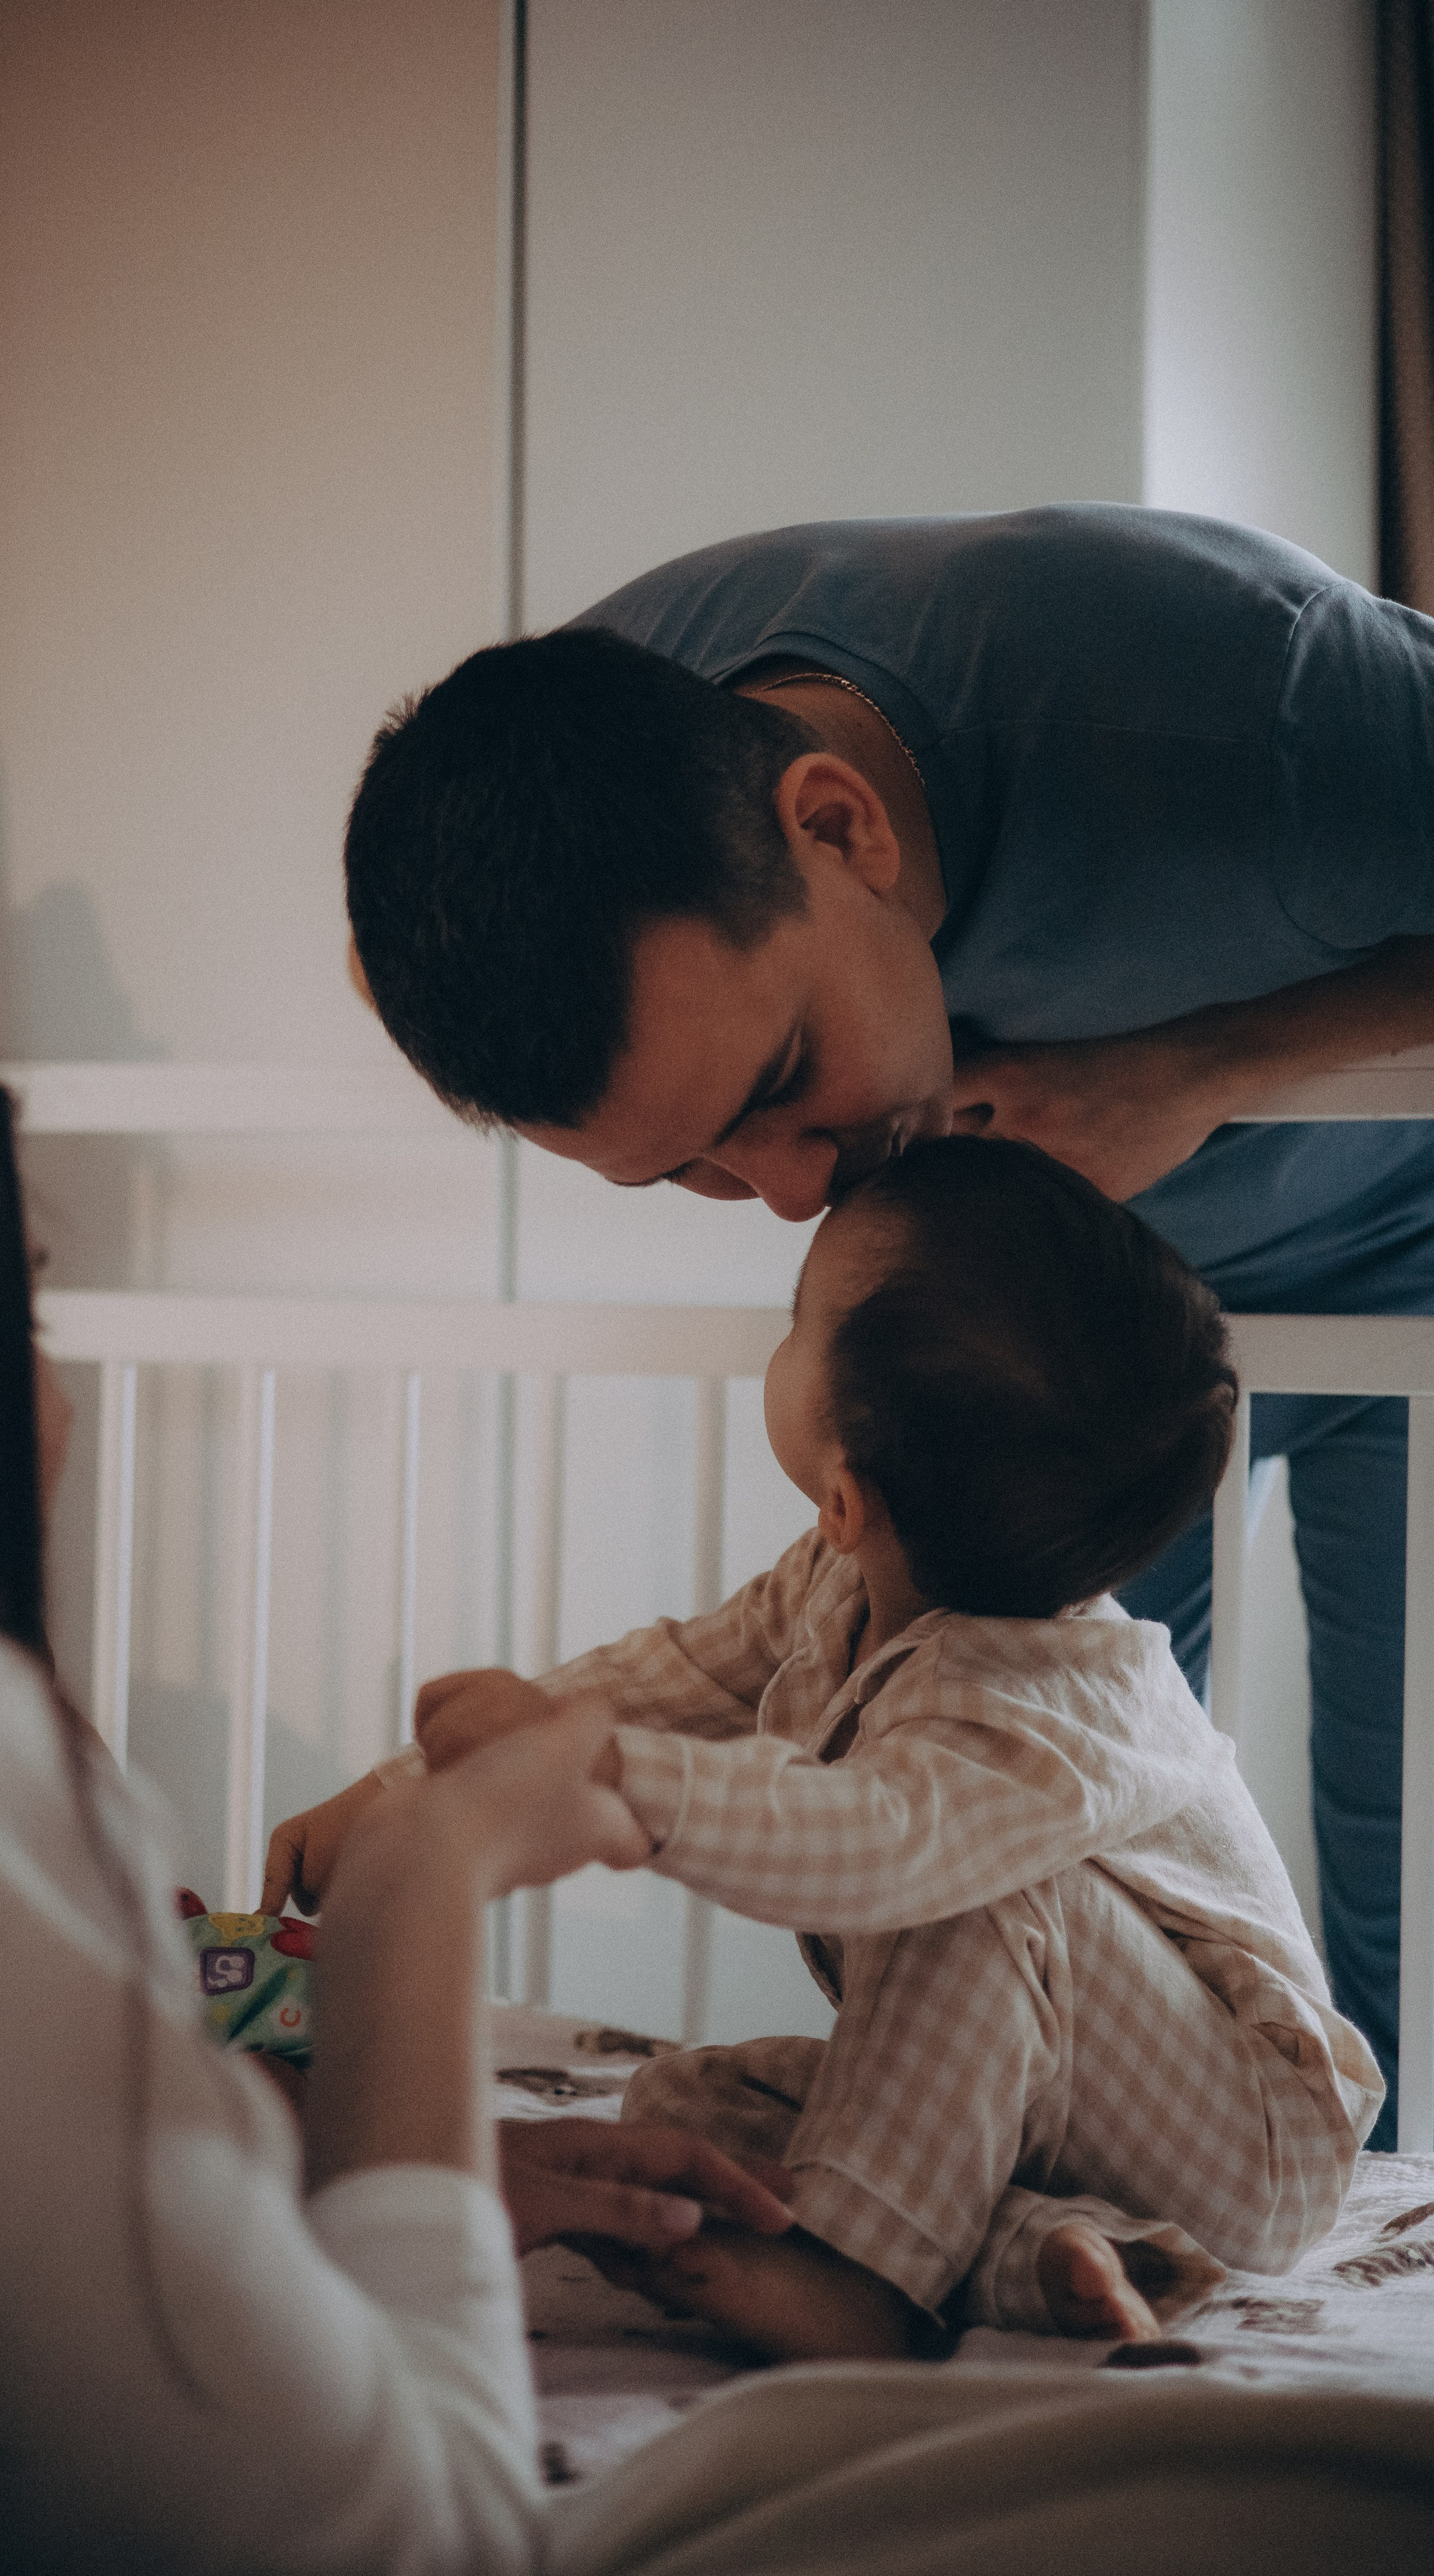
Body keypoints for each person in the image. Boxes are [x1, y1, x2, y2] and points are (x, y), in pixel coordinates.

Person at [340, 506, 1434, 2147]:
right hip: (1049, 1357)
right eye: (688, 1167)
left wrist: (1203, 1065)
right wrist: (416, 1790)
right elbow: (382, 967)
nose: (793, 1197)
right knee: (1041, 1850)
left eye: (781, 1080)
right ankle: (1049, 2205)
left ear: (839, 826)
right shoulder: (525, 815)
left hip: (1401, 1261)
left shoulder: (1249, 713)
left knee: (1398, 1850)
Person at [0, 966, 796, 2576]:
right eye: (22, 1315)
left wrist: (331, 2169)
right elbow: (417, 2541)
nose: (56, 1407)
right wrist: (421, 1886)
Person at [268, 1136, 1383, 2359]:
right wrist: (408, 1794)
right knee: (683, 2112)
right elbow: (667, 1684)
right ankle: (1044, 2251)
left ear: (847, 1494)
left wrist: (610, 1782)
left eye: (797, 1318)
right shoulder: (838, 1582)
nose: (781, 1329)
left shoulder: (1065, 1705)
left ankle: (856, 2280)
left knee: (973, 1887)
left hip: (1249, 2133)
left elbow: (876, 1841)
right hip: (1080, 2121)